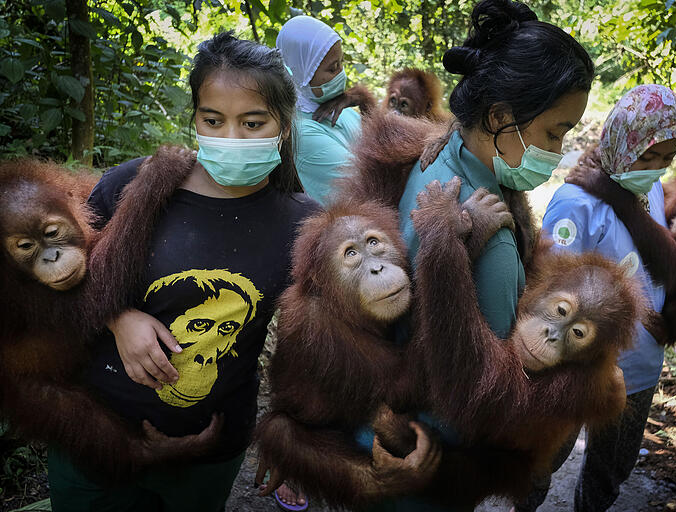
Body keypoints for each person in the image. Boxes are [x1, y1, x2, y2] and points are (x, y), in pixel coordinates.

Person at [46, 33, 319, 512]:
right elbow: (52, 278)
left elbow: (312, 348)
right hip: (94, 436)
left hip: (209, 449)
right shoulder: (130, 185)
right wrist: (118, 317)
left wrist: (295, 436)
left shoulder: (302, 223)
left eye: (253, 123)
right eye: (213, 120)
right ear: (194, 117)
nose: (230, 138)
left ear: (283, 124)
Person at [370, 1, 594, 510]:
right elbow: (480, 392)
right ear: (499, 117)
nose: (559, 150)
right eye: (555, 132)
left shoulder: (440, 163)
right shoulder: (481, 230)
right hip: (430, 457)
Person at [523, 84, 676, 512]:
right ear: (621, 139)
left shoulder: (648, 191)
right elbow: (551, 284)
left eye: (665, 159)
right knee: (543, 458)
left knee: (611, 468)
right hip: (578, 365)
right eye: (647, 156)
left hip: (638, 366)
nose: (654, 168)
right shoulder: (576, 204)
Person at [276, 15, 375, 205]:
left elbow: (382, 144)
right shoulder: (302, 133)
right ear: (300, 72)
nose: (341, 74)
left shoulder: (338, 106)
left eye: (341, 63)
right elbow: (370, 189)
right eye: (332, 68)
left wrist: (365, 102)